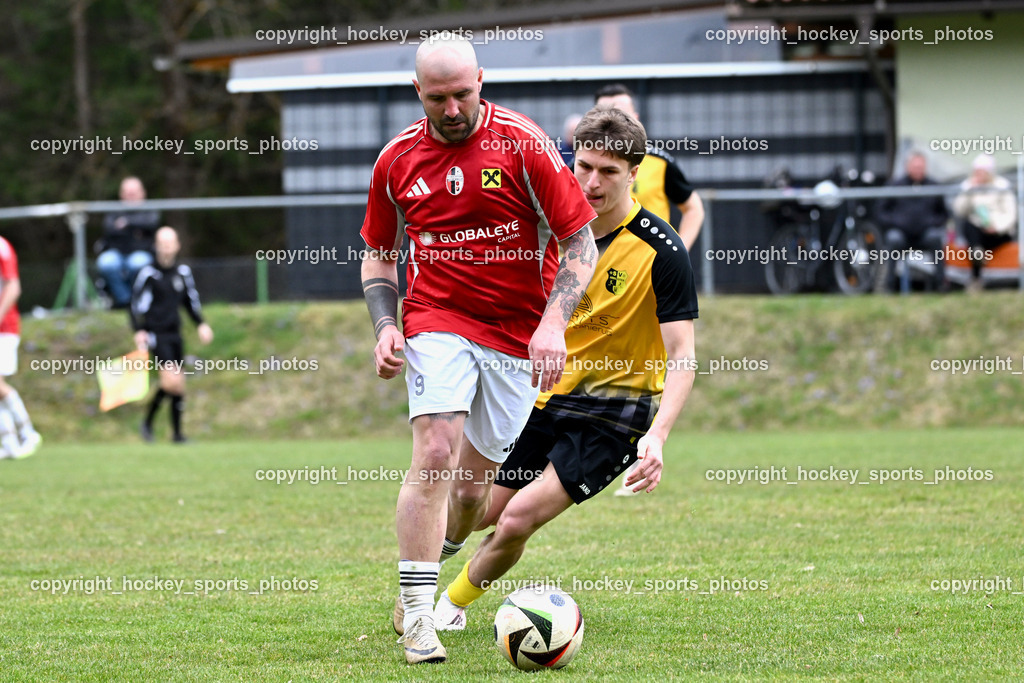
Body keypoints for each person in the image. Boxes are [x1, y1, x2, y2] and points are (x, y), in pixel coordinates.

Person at [359, 36, 597, 665]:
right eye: (438, 98)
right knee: (435, 447)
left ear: (481, 81)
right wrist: (386, 324)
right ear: (419, 94)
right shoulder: (396, 161)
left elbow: (580, 245)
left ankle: (434, 555)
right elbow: (380, 254)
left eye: (464, 93)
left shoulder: (523, 144)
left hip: (519, 335)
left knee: (471, 496)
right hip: (437, 318)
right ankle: (417, 617)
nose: (454, 108)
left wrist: (553, 324)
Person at [433, 106, 698, 629]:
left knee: (515, 520)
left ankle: (448, 608)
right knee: (476, 507)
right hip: (542, 395)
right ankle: (421, 581)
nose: (592, 183)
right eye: (584, 167)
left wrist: (659, 436)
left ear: (634, 173)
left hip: (614, 413)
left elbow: (682, 354)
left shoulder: (662, 250)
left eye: (609, 172)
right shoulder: (548, 231)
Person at [593, 83, 704, 496]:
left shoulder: (659, 162)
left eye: (624, 111)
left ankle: (643, 443)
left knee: (666, 357)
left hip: (650, 272)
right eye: (608, 112)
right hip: (603, 272)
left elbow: (694, 207)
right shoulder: (585, 170)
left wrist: (680, 253)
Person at [131, 226, 212, 443]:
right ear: (156, 246)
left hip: (175, 333)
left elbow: (190, 302)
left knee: (179, 386)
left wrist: (201, 324)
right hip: (156, 334)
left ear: (177, 245)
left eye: (170, 243)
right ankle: (147, 423)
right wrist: (139, 330)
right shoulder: (148, 274)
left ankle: (177, 434)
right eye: (162, 243)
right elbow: (134, 305)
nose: (167, 248)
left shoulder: (182, 273)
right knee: (171, 382)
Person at [873, 151, 949, 292]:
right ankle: (889, 286)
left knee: (935, 237)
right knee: (893, 238)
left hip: (925, 234)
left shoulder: (934, 186)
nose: (918, 170)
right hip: (902, 234)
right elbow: (880, 212)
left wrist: (931, 222)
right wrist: (896, 222)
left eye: (921, 167)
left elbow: (944, 214)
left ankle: (940, 284)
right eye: (915, 167)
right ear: (907, 167)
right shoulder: (895, 186)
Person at [0, 236, 42, 459]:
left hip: (4, 327)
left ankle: (28, 433)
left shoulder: (2, 246)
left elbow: (13, 287)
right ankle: (9, 443)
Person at [952, 154, 1018, 292]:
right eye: (977, 171)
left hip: (999, 232)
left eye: (982, 171)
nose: (979, 175)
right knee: (970, 230)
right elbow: (959, 211)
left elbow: (1011, 215)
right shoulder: (969, 186)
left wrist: (996, 227)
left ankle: (976, 279)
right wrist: (969, 191)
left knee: (976, 245)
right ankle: (977, 256)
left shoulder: (1002, 186)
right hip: (979, 232)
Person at [98, 176, 160, 308]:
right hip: (117, 253)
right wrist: (137, 229)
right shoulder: (114, 210)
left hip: (142, 253)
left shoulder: (150, 210)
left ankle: (137, 298)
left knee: (138, 263)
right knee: (106, 262)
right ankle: (125, 301)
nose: (131, 196)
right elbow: (109, 229)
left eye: (134, 193)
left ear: (143, 193)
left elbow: (151, 224)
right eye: (128, 193)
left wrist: (126, 223)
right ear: (121, 194)